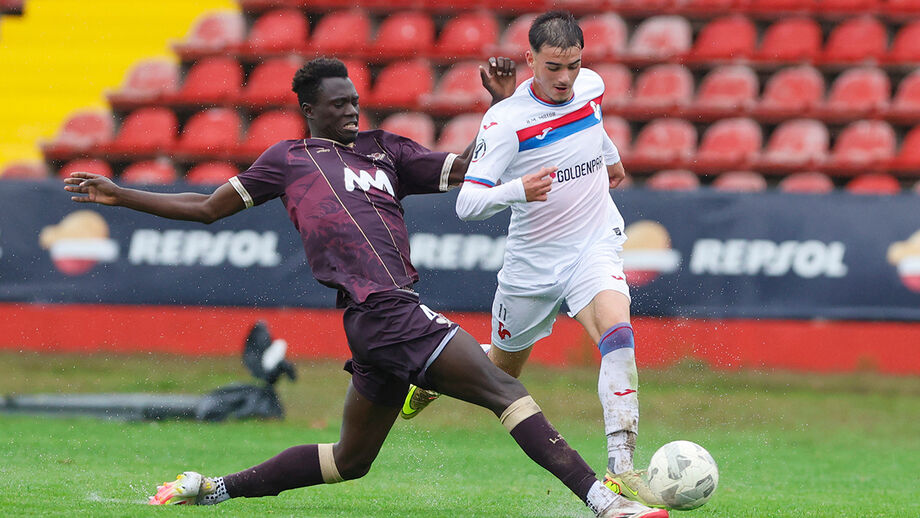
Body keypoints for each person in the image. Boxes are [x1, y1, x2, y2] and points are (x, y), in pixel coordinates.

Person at [63, 57, 667, 518]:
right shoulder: (288, 159)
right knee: (505, 390)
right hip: (385, 312)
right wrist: (120, 194)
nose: (352, 112)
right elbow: (205, 207)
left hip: (382, 320)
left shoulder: (389, 153)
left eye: (355, 102)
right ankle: (608, 503)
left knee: (348, 462)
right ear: (308, 108)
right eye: (338, 105)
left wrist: (507, 108)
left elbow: (479, 169)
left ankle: (209, 489)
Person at [398, 11, 667, 509]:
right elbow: (467, 204)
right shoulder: (504, 120)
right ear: (531, 61)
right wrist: (519, 189)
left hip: (593, 243)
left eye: (573, 65)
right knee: (502, 372)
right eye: (553, 67)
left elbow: (589, 121)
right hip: (533, 265)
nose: (565, 78)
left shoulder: (591, 86)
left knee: (618, 332)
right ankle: (433, 376)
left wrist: (609, 156)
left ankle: (621, 467)